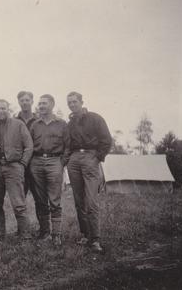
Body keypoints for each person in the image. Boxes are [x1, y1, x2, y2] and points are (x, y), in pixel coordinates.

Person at [0, 99, 33, 243]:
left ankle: (25, 237)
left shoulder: (18, 125)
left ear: (8, 109)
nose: (0, 111)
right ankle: (1, 238)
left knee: (19, 204)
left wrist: (22, 163)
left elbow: (29, 146)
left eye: (3, 108)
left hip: (13, 167)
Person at [66, 91, 112, 253]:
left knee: (92, 200)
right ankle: (85, 234)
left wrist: (97, 157)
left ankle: (96, 239)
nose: (72, 105)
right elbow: (67, 143)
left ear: (81, 102)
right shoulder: (70, 123)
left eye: (74, 102)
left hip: (91, 157)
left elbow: (107, 140)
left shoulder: (95, 118)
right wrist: (68, 159)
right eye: (69, 102)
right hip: (74, 159)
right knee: (79, 201)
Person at [29, 94, 69, 245]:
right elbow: (30, 144)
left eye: (44, 103)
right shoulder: (35, 124)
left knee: (54, 199)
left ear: (52, 104)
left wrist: (61, 162)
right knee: (40, 199)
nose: (41, 106)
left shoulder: (62, 124)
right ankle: (44, 232)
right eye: (39, 104)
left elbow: (68, 145)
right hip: (37, 161)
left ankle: (56, 234)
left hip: (55, 161)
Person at [14, 91, 38, 197]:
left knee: (39, 196)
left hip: (36, 161)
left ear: (32, 101)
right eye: (22, 100)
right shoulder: (13, 121)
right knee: (19, 196)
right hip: (19, 162)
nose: (24, 103)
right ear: (18, 102)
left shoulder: (39, 120)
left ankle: (42, 214)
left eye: (27, 100)